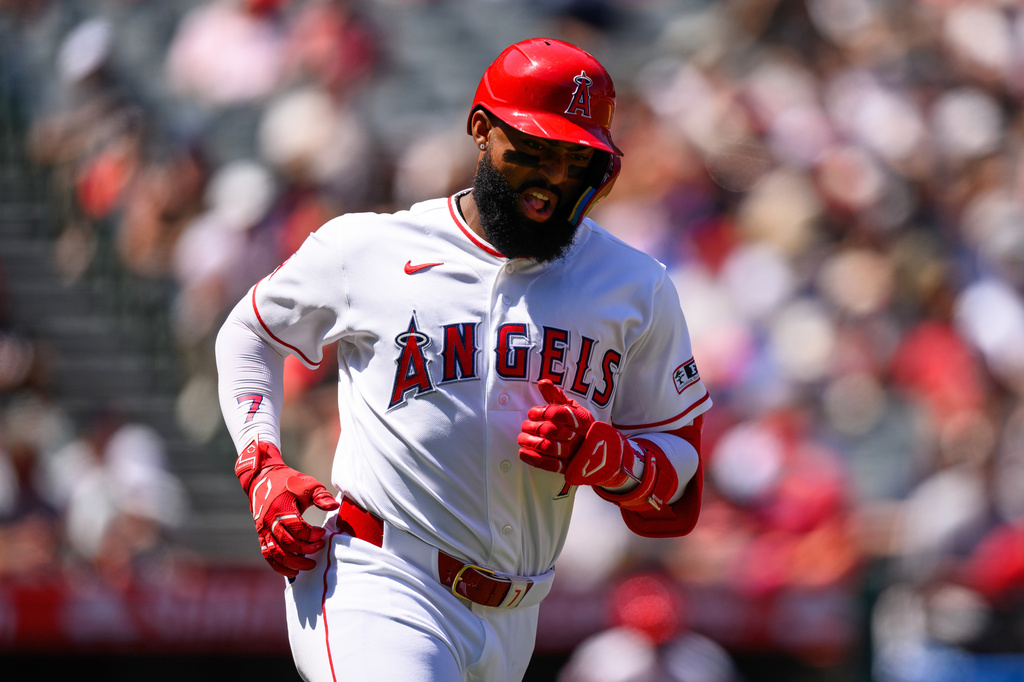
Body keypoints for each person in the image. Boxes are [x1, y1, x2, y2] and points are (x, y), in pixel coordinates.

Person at [215, 38, 712, 682]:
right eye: (534, 148)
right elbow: (248, 333)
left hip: (516, 616)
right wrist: (262, 466)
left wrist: (611, 459)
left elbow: (680, 483)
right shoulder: (368, 248)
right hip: (380, 576)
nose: (553, 176)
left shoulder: (633, 285)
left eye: (574, 158)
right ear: (481, 129)